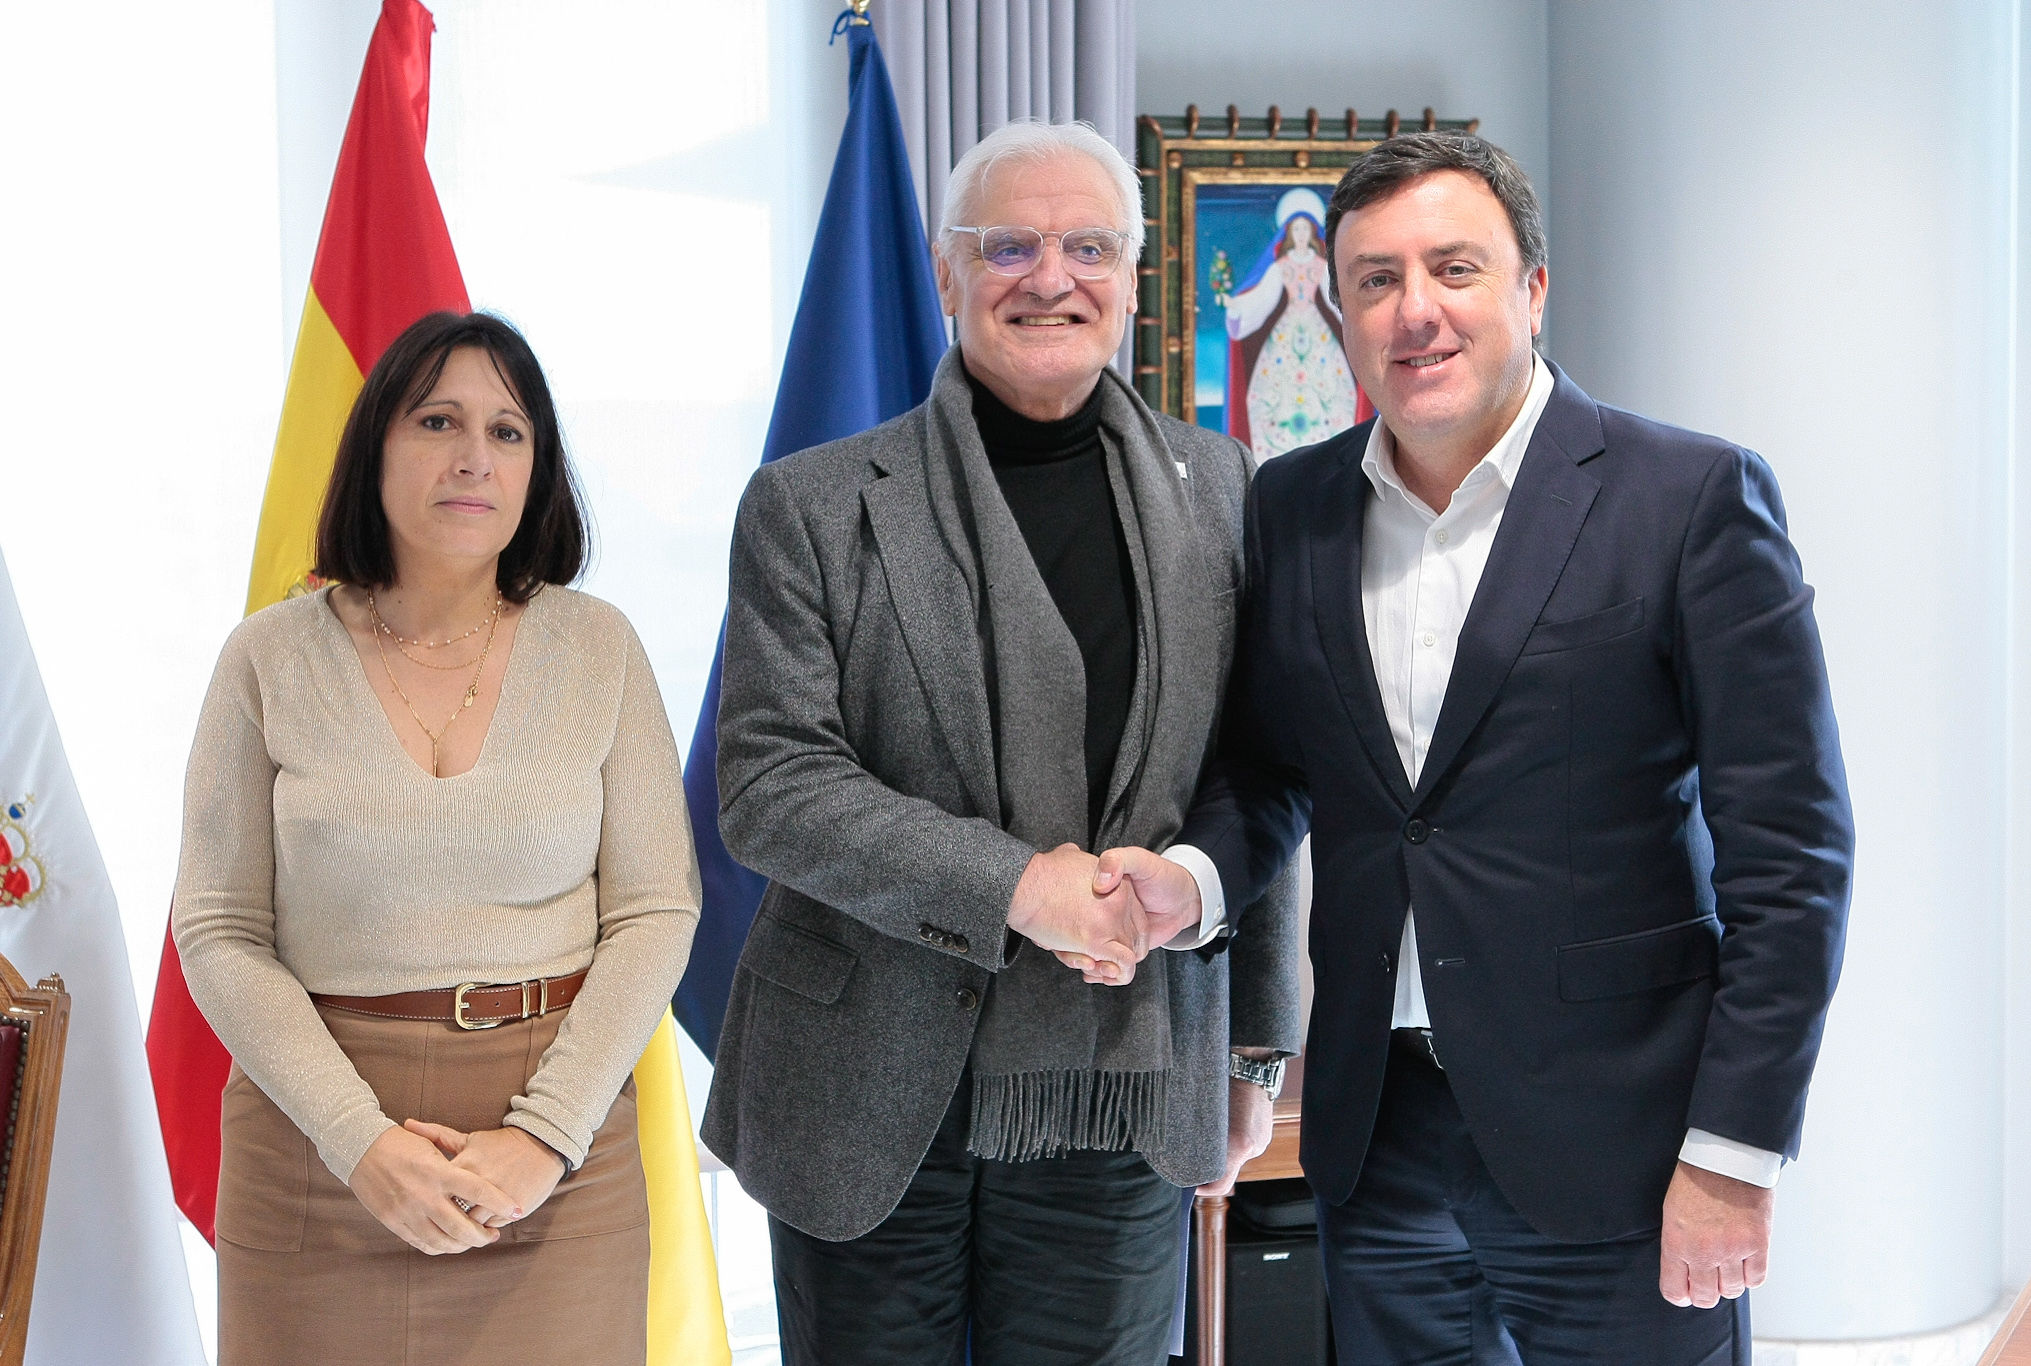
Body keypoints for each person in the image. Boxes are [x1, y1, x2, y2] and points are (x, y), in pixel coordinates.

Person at [1094, 132, 1854, 1364]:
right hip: (1375, 1136)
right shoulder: (1291, 506)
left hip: (1620, 1146)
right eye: (1376, 279)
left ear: (1531, 288)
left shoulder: (1689, 497)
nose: (1415, 310)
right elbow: (1272, 768)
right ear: (1340, 312)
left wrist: (1732, 1154)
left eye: (1453, 267)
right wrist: (1189, 879)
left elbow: (1793, 858)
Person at [699, 119, 1301, 1366]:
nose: (1049, 277)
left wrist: (1256, 1051)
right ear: (946, 273)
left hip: (1127, 1072)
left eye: (1087, 247)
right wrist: (1016, 887)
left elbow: (1262, 768)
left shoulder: (1224, 489)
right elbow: (771, 785)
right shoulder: (810, 505)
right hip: (861, 1080)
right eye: (1008, 246)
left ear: (1129, 275)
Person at [174, 311, 701, 1364]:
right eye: (437, 421)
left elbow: (656, 910)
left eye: (508, 431)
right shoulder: (267, 657)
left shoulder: (598, 646)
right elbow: (219, 928)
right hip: (318, 1148)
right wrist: (358, 1140)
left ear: (538, 469)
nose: (474, 457)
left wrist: (544, 1136)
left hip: (554, 1158)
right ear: (374, 444)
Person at [1223, 189, 1363, 462]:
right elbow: (1262, 298)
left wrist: (1359, 315)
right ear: (1288, 233)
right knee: (1272, 399)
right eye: (1296, 229)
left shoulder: (1322, 267)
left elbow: (1337, 302)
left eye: (1305, 229)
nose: (1300, 235)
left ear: (1312, 233)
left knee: (1332, 397)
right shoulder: (1281, 267)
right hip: (1284, 340)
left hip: (1318, 340)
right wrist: (1238, 305)